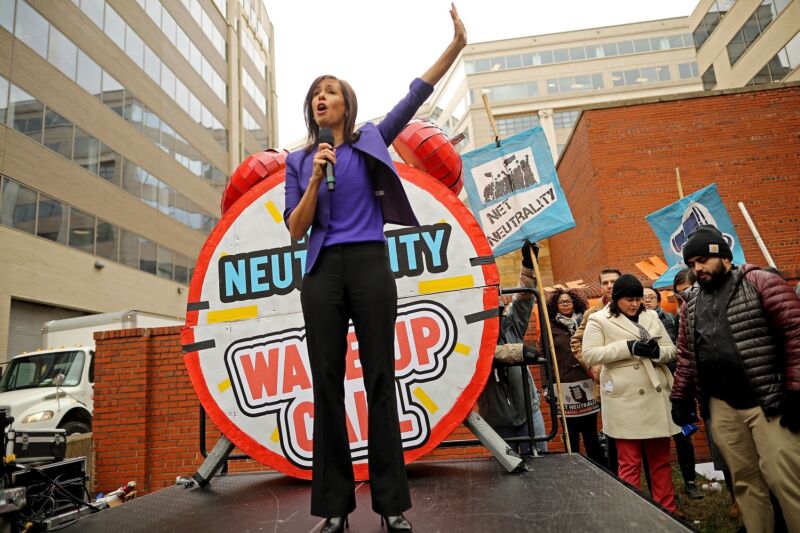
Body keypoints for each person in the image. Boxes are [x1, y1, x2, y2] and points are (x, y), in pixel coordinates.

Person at [282, 6, 467, 532]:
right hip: (321, 273)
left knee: (382, 379)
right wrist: (317, 177)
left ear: (346, 103)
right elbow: (296, 229)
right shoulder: (299, 162)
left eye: (331, 90)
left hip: (368, 264)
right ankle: (336, 509)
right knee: (326, 384)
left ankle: (391, 506)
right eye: (315, 92)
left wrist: (455, 45)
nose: (322, 97)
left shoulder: (371, 141)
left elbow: (415, 95)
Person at [670, 226, 800, 533]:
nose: (697, 268)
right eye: (692, 264)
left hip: (768, 402)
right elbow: (687, 357)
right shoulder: (692, 303)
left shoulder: (761, 282)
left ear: (723, 256)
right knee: (744, 482)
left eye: (702, 260)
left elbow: (796, 336)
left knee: (787, 480)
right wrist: (680, 396)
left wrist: (796, 391)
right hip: (722, 407)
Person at [582, 274, 680, 513]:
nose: (635, 304)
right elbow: (590, 355)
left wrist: (657, 353)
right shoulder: (598, 320)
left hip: (655, 395)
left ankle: (667, 512)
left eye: (638, 299)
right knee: (629, 462)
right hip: (624, 399)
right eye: (629, 299)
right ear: (616, 299)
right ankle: (632, 514)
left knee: (660, 462)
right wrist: (628, 347)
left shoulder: (652, 316)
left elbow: (671, 350)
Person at [477, 242, 548, 455]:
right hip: (497, 419)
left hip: (528, 410)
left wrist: (527, 264)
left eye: (496, 310)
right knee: (505, 477)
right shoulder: (472, 336)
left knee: (543, 467)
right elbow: (479, 356)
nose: (495, 315)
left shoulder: (510, 323)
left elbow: (524, 300)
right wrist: (515, 352)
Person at [642, 285, 702, 500]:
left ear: (658, 300)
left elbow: (681, 347)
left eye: (651, 297)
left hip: (678, 382)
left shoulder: (671, 318)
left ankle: (690, 481)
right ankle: (657, 489)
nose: (647, 300)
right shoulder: (637, 323)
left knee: (683, 435)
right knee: (655, 439)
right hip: (653, 386)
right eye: (643, 298)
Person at [545, 288, 603, 464]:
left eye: (568, 301)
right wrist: (547, 385)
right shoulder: (549, 327)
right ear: (555, 306)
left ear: (574, 303)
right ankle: (574, 467)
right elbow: (546, 357)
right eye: (561, 302)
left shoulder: (586, 323)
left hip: (586, 380)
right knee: (570, 434)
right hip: (563, 384)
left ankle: (599, 467)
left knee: (590, 431)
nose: (565, 304)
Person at [571, 268, 620, 473]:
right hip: (607, 385)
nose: (609, 286)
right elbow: (576, 342)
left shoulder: (636, 307)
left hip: (634, 382)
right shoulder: (592, 313)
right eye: (605, 282)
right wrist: (591, 366)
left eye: (613, 282)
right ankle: (618, 477)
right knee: (613, 434)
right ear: (600, 286)